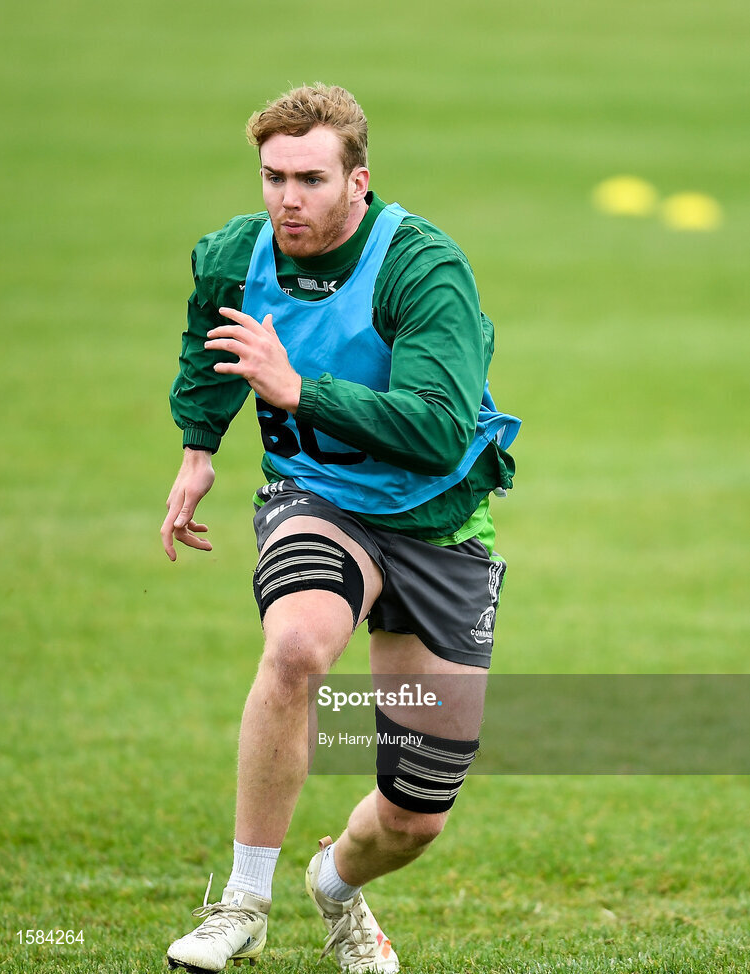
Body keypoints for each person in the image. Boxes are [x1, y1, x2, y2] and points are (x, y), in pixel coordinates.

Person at [161, 83, 520, 974]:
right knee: (297, 645)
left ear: (358, 181)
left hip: (437, 521)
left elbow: (438, 429)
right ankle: (242, 901)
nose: (288, 198)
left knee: (413, 814)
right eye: (273, 177)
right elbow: (213, 338)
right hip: (316, 497)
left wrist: (299, 392)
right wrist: (199, 448)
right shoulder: (234, 255)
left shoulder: (420, 266)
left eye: (311, 179)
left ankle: (334, 882)